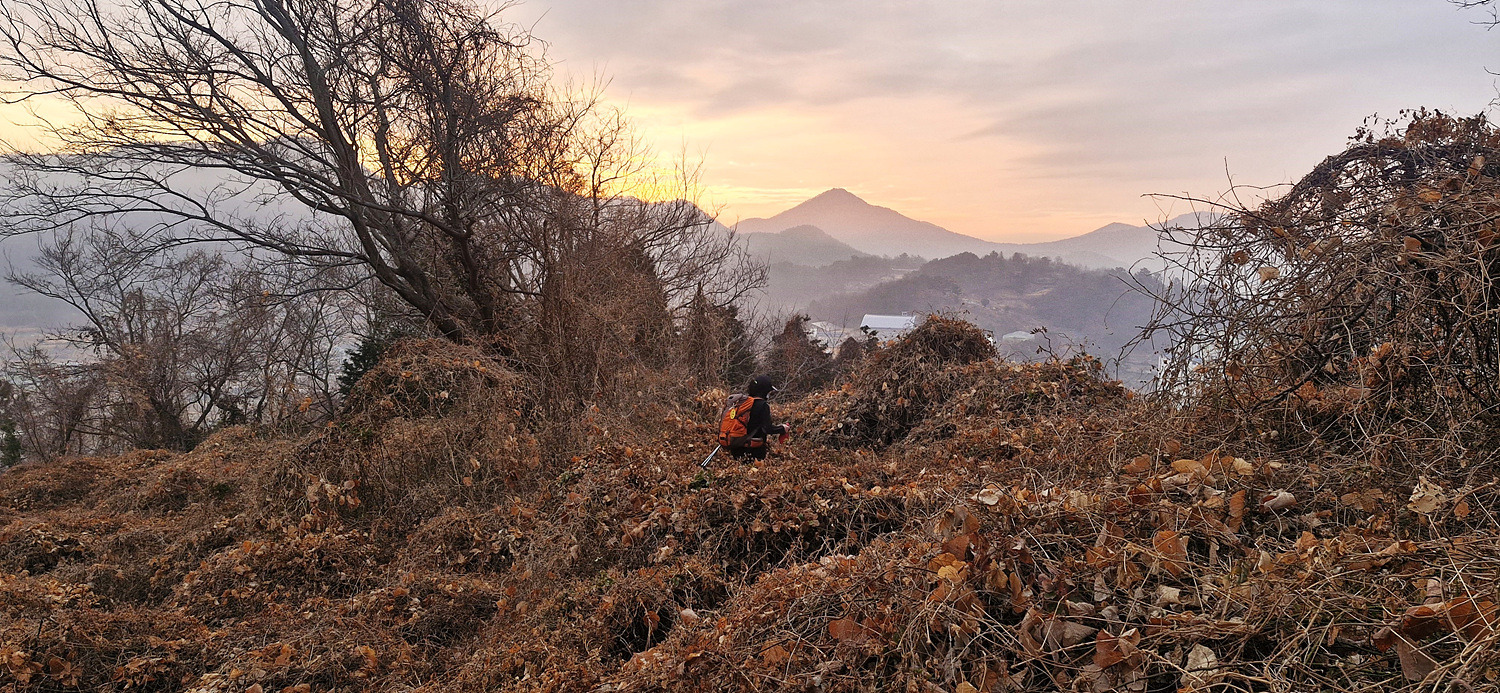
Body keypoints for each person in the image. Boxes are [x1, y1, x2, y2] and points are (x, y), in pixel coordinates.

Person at [727, 375, 790, 462]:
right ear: (764, 391)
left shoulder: (742, 403)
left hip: (736, 448)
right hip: (753, 451)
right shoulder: (763, 405)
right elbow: (767, 429)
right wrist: (782, 428)